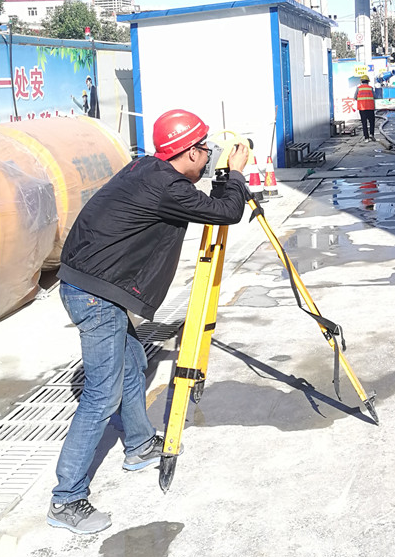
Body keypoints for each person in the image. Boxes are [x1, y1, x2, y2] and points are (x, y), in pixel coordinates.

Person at [47, 109, 249, 534]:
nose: (210, 155)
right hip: (95, 294)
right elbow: (227, 212)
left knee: (134, 363)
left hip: (97, 286)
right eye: (206, 149)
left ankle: (138, 445)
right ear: (189, 151)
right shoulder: (166, 188)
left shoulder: (148, 169)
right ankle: (66, 499)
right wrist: (233, 174)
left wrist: (224, 174)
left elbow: (203, 203)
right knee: (101, 394)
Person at [354, 75, 376, 141]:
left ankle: (366, 137)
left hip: (362, 108)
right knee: (372, 122)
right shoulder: (370, 88)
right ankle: (372, 134)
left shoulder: (358, 88)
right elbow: (375, 96)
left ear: (361, 81)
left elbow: (355, 97)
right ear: (368, 81)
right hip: (370, 108)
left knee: (364, 122)